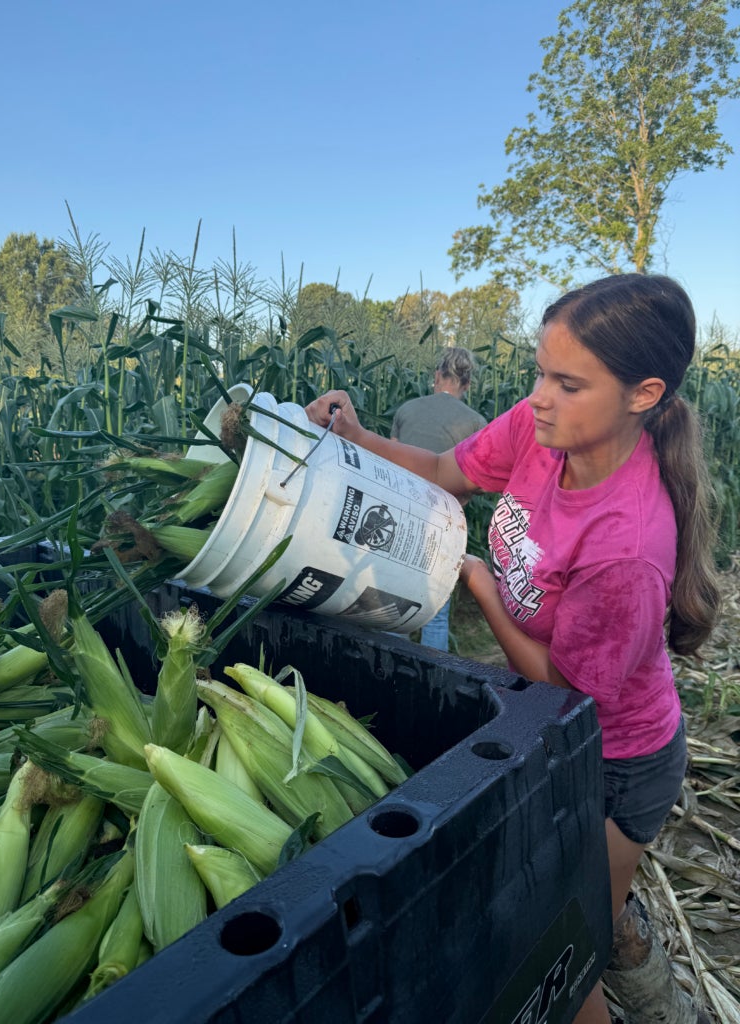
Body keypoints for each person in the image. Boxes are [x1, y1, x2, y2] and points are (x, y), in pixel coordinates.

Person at [306, 273, 720, 1024]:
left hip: (618, 757)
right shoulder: (541, 430)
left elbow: (570, 688)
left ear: (643, 393)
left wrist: (483, 586)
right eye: (538, 370)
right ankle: (626, 935)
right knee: (565, 918)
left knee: (566, 946)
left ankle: (640, 973)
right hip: (547, 713)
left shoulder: (626, 543)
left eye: (567, 382)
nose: (538, 395)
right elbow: (442, 473)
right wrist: (357, 438)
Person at [390, 346, 486, 651]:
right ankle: (432, 685)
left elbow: (389, 463)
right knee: (437, 615)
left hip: (399, 516)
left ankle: (389, 676)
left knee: (394, 607)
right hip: (446, 522)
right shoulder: (475, 422)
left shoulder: (406, 410)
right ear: (468, 383)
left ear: (437, 376)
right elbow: (483, 480)